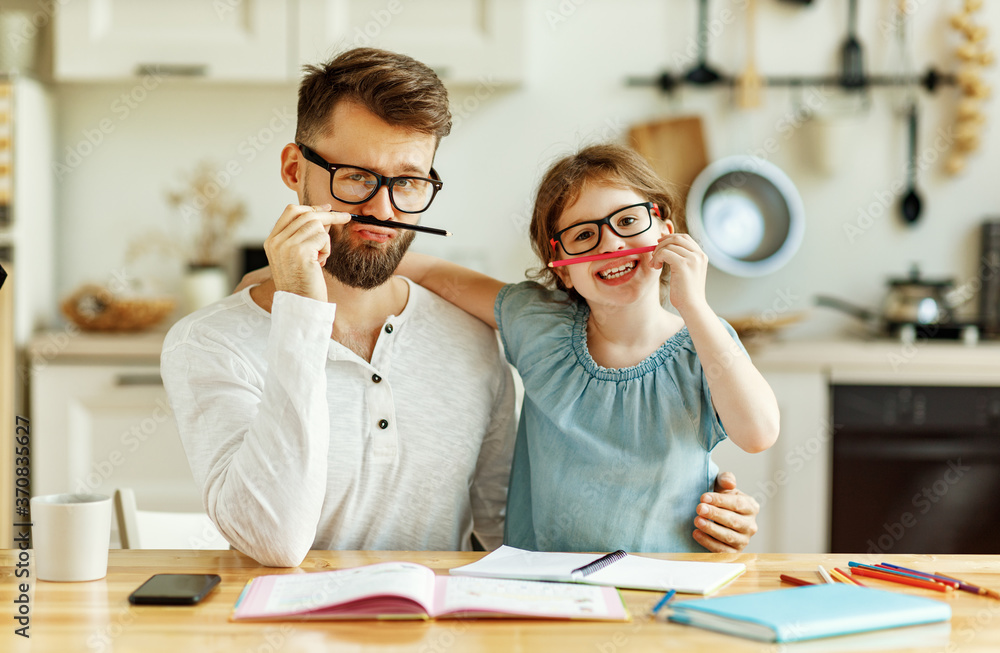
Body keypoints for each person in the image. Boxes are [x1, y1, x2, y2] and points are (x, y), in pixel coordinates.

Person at [161, 48, 517, 567]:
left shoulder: (473, 338)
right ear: (292, 168)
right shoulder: (209, 343)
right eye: (355, 176)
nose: (383, 210)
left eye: (410, 182)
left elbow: (506, 531)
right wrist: (301, 311)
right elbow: (273, 541)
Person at [396, 143, 779, 552]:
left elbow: (758, 433)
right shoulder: (538, 324)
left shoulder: (705, 340)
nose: (610, 243)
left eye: (628, 220)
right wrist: (339, 245)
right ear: (560, 269)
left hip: (668, 584)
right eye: (583, 234)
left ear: (665, 232)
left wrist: (695, 306)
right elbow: (434, 272)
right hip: (546, 589)